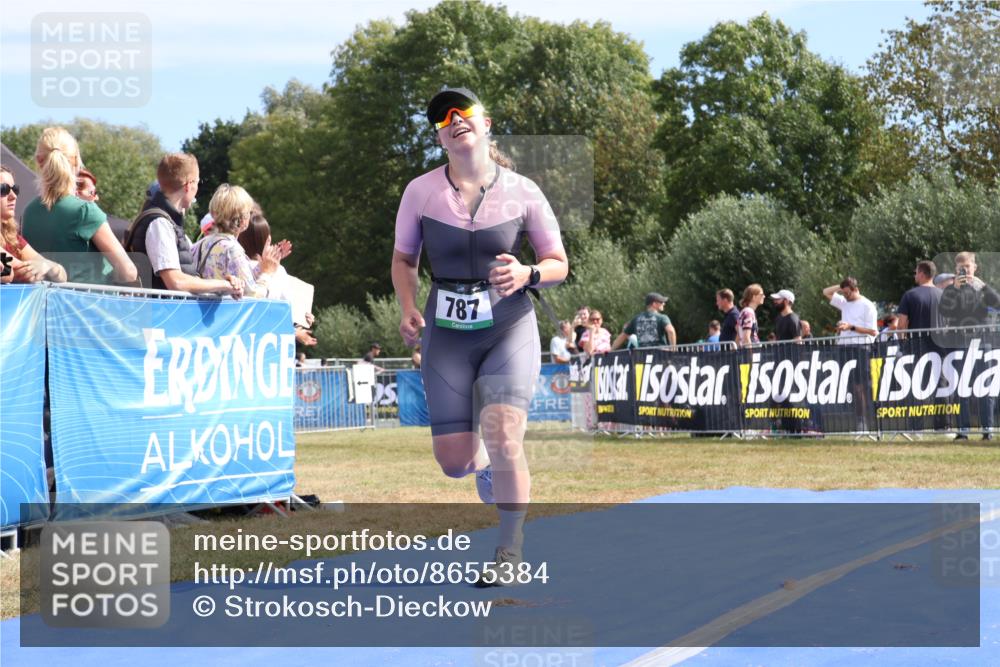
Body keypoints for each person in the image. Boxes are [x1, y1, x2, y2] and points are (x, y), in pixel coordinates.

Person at [391, 86, 568, 584]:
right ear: (440, 137)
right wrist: (408, 307)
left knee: (505, 431)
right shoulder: (419, 192)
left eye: (461, 111)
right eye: (442, 118)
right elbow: (405, 260)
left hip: (508, 327)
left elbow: (559, 263)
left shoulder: (524, 190)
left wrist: (529, 274)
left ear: (485, 123)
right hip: (445, 335)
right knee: (455, 462)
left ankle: (510, 551)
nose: (452, 119)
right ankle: (484, 464)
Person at [21, 127, 137, 285]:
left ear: (39, 161)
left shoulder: (28, 213)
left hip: (42, 307)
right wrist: (104, 280)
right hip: (86, 305)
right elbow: (128, 272)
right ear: (76, 161)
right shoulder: (85, 211)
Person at [126, 153, 243, 296]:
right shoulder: (160, 224)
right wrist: (223, 284)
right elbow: (176, 282)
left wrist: (221, 285)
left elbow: (185, 277)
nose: (197, 189)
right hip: (162, 315)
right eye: (197, 182)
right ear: (189, 185)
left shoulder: (166, 222)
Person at [939, 252, 999, 441]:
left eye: (967, 267)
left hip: (984, 342)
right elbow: (943, 310)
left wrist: (982, 285)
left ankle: (987, 430)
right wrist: (954, 289)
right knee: (962, 388)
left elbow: (998, 303)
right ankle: (963, 431)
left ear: (975, 267)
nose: (965, 270)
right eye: (960, 268)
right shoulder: (952, 289)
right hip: (960, 344)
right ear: (956, 270)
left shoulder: (982, 287)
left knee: (985, 386)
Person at [237, 211, 317, 345]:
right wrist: (300, 322)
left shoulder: (235, 264)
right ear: (267, 240)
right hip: (271, 345)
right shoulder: (277, 271)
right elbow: (286, 312)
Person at [191, 184, 282, 298]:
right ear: (243, 220)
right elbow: (252, 295)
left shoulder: (199, 245)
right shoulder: (232, 250)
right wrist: (267, 273)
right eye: (249, 212)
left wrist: (262, 265)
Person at [1, 166, 66, 283]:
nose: (13, 196)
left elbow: (62, 275)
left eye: (15, 189)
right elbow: (10, 271)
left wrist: (46, 266)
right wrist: (44, 267)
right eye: (3, 189)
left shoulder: (12, 238)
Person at [611, 292, 676, 350]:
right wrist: (673, 349)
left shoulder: (636, 319)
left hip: (642, 355)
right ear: (654, 304)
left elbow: (622, 337)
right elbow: (671, 331)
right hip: (660, 355)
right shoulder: (662, 317)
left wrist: (610, 351)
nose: (664, 304)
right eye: (661, 302)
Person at [823, 277, 878, 344]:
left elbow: (873, 332)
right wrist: (840, 286)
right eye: (843, 293)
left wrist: (851, 327)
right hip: (843, 345)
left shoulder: (868, 305)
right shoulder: (844, 301)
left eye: (847, 293)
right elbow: (825, 292)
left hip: (861, 346)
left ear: (856, 290)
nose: (845, 296)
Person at [896, 260, 943, 334]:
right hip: (941, 342)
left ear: (921, 274)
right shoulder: (944, 295)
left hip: (918, 343)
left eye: (916, 273)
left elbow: (901, 325)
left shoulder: (909, 295)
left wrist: (902, 343)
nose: (915, 276)